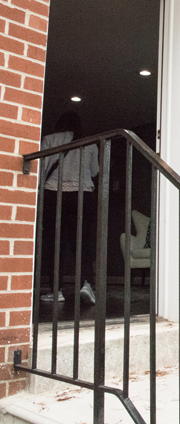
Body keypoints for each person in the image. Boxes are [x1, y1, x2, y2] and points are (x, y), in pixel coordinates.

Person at [40, 111, 98, 305]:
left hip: (53, 193)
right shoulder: (89, 142)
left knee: (55, 243)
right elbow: (95, 170)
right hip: (83, 194)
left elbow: (43, 167)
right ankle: (86, 284)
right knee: (82, 241)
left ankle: (56, 291)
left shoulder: (49, 139)